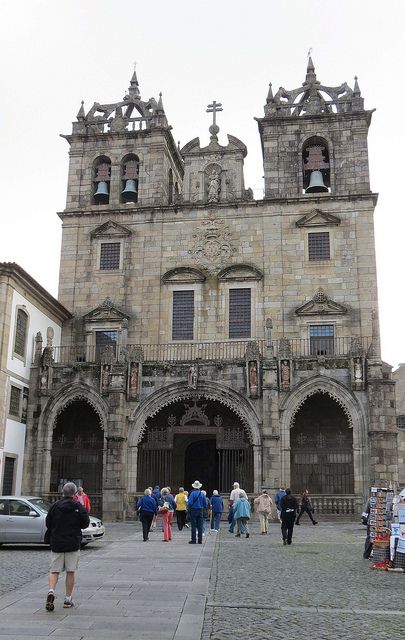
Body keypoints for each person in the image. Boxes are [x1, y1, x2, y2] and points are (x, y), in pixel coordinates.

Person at [44, 482, 90, 611]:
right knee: (70, 571)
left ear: (62, 493)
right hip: (73, 543)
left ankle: (51, 591)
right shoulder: (78, 506)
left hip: (57, 542)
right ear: (75, 493)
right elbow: (85, 524)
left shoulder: (55, 506)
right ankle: (68, 599)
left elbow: (48, 523)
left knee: (54, 570)